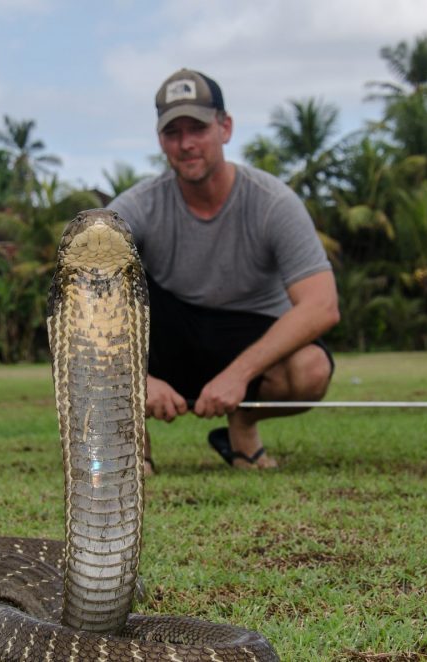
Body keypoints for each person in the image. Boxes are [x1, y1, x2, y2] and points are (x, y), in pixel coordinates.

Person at [108, 68, 339, 472]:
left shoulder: (272, 202)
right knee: (88, 332)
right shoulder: (138, 206)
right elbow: (75, 299)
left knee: (311, 369)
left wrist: (238, 375)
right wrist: (133, 377)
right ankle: (131, 447)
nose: (186, 144)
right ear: (161, 140)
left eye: (197, 128)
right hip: (168, 335)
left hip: (249, 333)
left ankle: (242, 426)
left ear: (225, 128)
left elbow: (322, 306)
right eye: (173, 132)